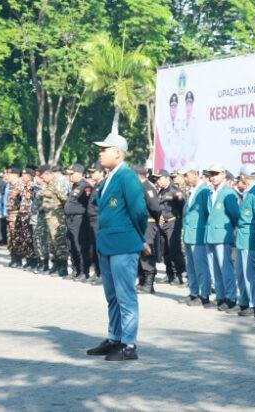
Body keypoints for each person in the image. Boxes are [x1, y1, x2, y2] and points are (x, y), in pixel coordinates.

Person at [86, 133, 147, 361]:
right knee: (112, 296)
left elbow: (139, 211)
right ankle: (114, 338)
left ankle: (128, 345)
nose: (100, 153)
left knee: (125, 296)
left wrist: (138, 236)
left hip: (123, 243)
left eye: (105, 149)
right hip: (107, 244)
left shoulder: (127, 176)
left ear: (118, 153)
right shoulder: (110, 177)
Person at [204, 163, 240, 312]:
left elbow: (235, 215)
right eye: (211, 174)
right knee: (215, 270)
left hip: (222, 235)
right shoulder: (211, 192)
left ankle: (230, 298)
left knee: (225, 268)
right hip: (211, 234)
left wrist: (231, 230)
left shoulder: (228, 192)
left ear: (223, 175)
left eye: (215, 174)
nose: (212, 177)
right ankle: (220, 296)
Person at [234, 164, 255, 316]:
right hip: (243, 237)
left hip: (250, 238)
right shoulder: (249, 191)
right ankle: (244, 301)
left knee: (250, 274)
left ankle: (254, 304)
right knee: (241, 272)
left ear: (243, 176)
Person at [179, 162, 213, 307]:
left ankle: (204, 295)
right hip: (189, 234)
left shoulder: (204, 191)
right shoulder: (192, 190)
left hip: (198, 235)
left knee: (201, 267)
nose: (185, 178)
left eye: (186, 175)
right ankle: (194, 292)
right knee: (191, 266)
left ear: (194, 174)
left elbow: (209, 213)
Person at [155, 169, 186, 285]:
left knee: (174, 250)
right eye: (157, 179)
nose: (157, 181)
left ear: (167, 178)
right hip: (163, 224)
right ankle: (170, 274)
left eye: (159, 178)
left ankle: (179, 275)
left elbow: (183, 205)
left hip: (173, 223)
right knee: (165, 251)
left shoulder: (175, 190)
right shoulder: (161, 191)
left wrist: (179, 222)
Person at [135, 165, 161, 294]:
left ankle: (149, 284)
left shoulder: (148, 187)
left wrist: (156, 220)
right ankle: (142, 281)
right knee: (140, 252)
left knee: (147, 252)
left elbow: (155, 207)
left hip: (148, 223)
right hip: (140, 224)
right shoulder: (139, 187)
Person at [64, 164, 93, 280]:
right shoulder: (75, 186)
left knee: (79, 245)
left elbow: (87, 204)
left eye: (72, 174)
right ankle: (75, 270)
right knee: (71, 245)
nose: (70, 176)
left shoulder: (85, 186)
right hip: (70, 219)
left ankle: (84, 271)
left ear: (79, 173)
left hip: (79, 219)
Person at [39, 165, 69, 277]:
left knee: (59, 242)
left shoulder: (57, 183)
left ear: (48, 174)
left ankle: (63, 267)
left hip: (57, 218)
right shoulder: (49, 184)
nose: (42, 179)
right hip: (49, 217)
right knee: (52, 243)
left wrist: (62, 213)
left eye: (43, 176)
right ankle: (55, 265)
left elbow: (64, 198)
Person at [84, 162, 106, 284]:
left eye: (94, 172)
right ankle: (97, 271)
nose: (92, 174)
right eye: (91, 172)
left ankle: (102, 274)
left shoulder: (104, 184)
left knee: (100, 248)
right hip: (92, 219)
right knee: (94, 247)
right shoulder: (96, 185)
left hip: (99, 219)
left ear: (101, 172)